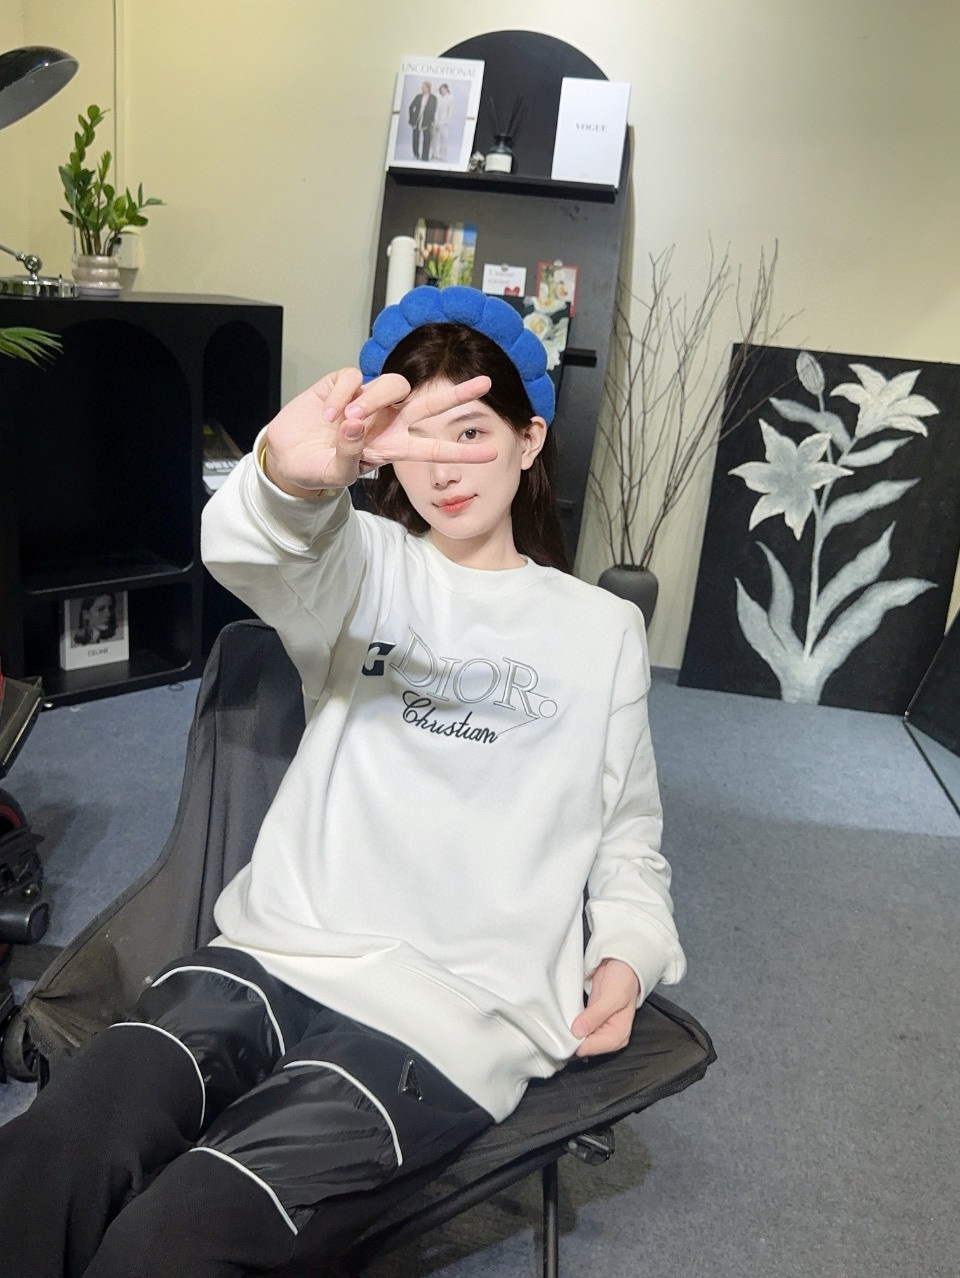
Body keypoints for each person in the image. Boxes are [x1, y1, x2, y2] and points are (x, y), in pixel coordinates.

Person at [0, 285, 685, 1278]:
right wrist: (288, 479)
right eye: (417, 435)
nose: (443, 468)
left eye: (470, 431)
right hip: (272, 954)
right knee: (48, 1156)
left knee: (170, 1238)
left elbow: (626, 836)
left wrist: (627, 952)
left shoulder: (601, 632)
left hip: (448, 1014)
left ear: (530, 439)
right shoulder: (367, 566)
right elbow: (258, 548)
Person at [407, 78, 436, 159]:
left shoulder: (433, 98)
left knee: (427, 139)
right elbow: (411, 107)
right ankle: (416, 155)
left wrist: (431, 121)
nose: (422, 89)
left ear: (428, 88)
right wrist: (412, 118)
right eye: (422, 87)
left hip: (426, 121)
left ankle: (425, 157)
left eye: (424, 87)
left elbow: (433, 111)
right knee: (415, 138)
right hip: (417, 120)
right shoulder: (418, 96)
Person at [432, 82, 453, 161]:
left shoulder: (450, 98)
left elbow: (450, 111)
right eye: (441, 89)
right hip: (434, 121)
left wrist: (446, 121)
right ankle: (433, 154)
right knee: (433, 138)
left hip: (443, 122)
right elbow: (433, 109)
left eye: (444, 89)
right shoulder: (436, 96)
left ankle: (443, 156)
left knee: (444, 138)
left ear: (447, 89)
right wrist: (433, 120)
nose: (442, 90)